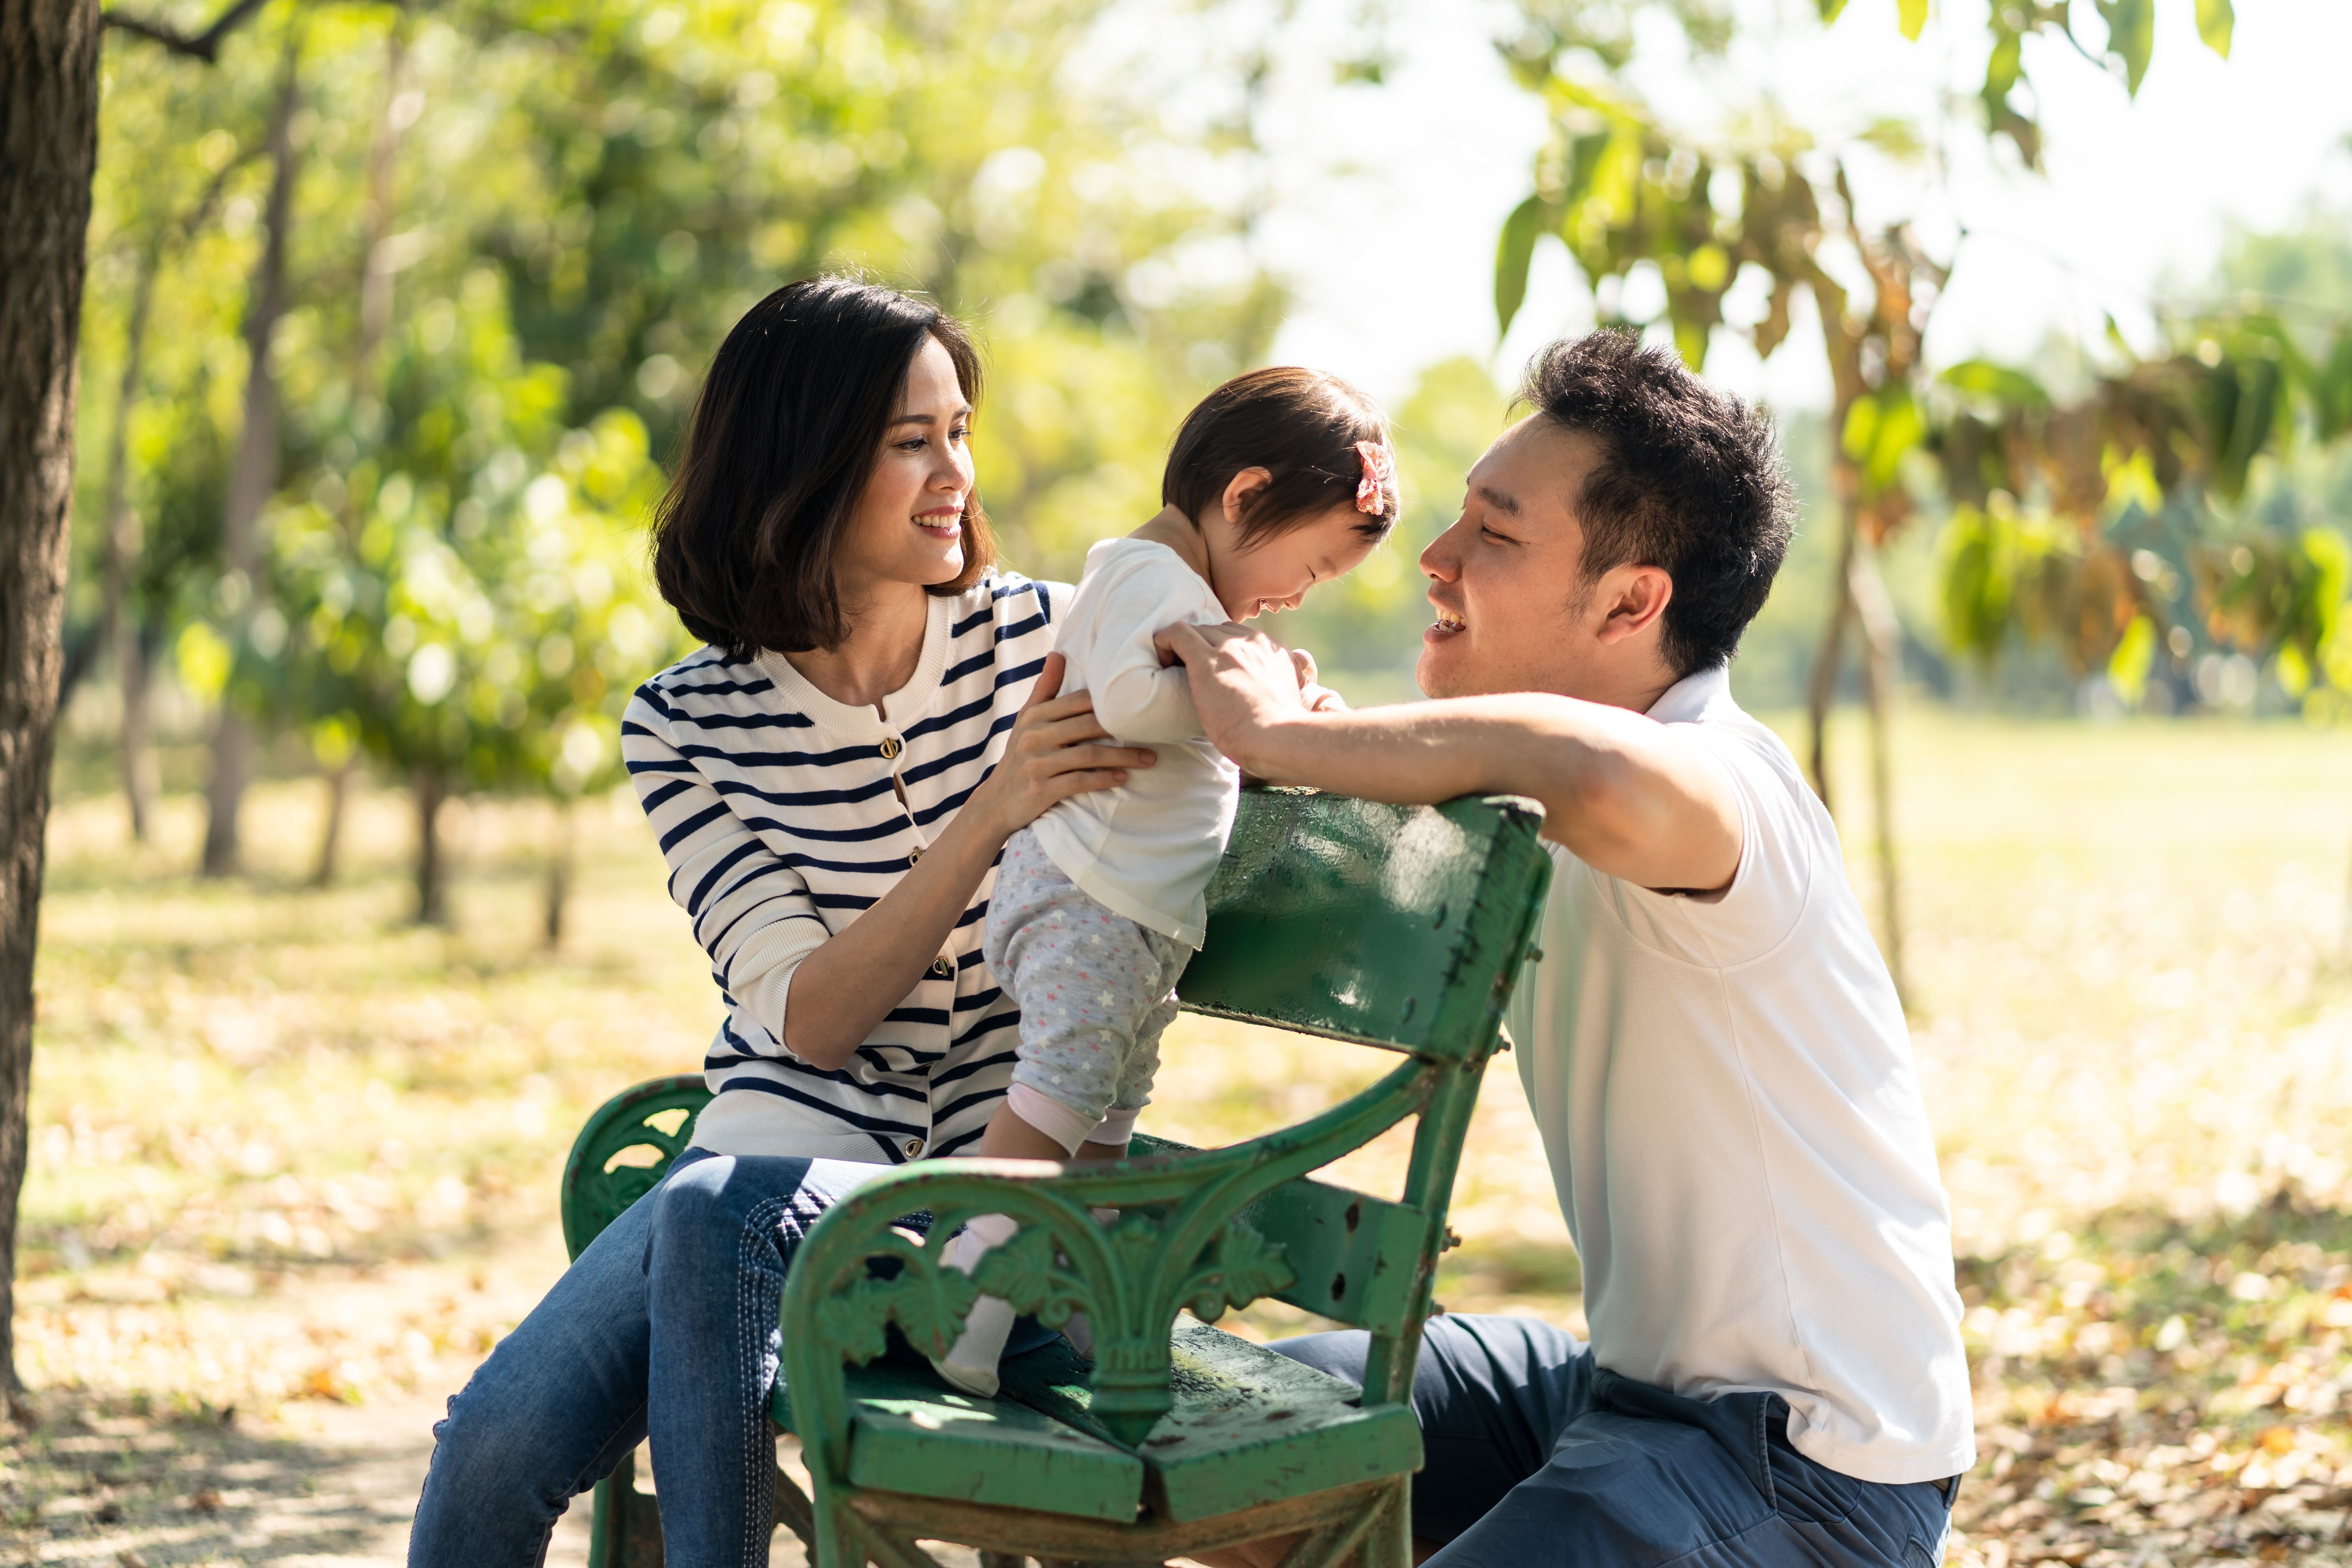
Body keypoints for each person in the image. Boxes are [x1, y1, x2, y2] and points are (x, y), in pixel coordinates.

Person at [1161, 330, 1976, 1568]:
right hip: (1622, 1386)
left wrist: (1281, 738)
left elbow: (1588, 764)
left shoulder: (1719, 782)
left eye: (1494, 531)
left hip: (1806, 1463)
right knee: (1203, 1448)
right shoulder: (1524, 798)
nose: (1433, 556)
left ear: (1633, 600)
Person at [406, 276, 1161, 1568]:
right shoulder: (686, 724)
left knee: (709, 1209)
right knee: (488, 1448)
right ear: (802, 465)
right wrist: (989, 811)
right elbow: (813, 1018)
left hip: (999, 1187)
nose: (956, 477)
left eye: (960, 432)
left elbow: (1207, 741)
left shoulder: (1050, 643)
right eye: (910, 442)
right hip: (786, 1159)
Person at [932, 368, 1398, 1397]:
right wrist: (1232, 681)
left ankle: (1077, 1302)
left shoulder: (1183, 597)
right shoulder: (1156, 583)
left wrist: (1270, 701)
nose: (1296, 596)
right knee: (1057, 1097)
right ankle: (958, 1293)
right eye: (1309, 566)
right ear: (1242, 498)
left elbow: (1210, 739)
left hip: (1130, 915)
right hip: (1090, 900)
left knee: (1104, 1118)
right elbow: (1140, 708)